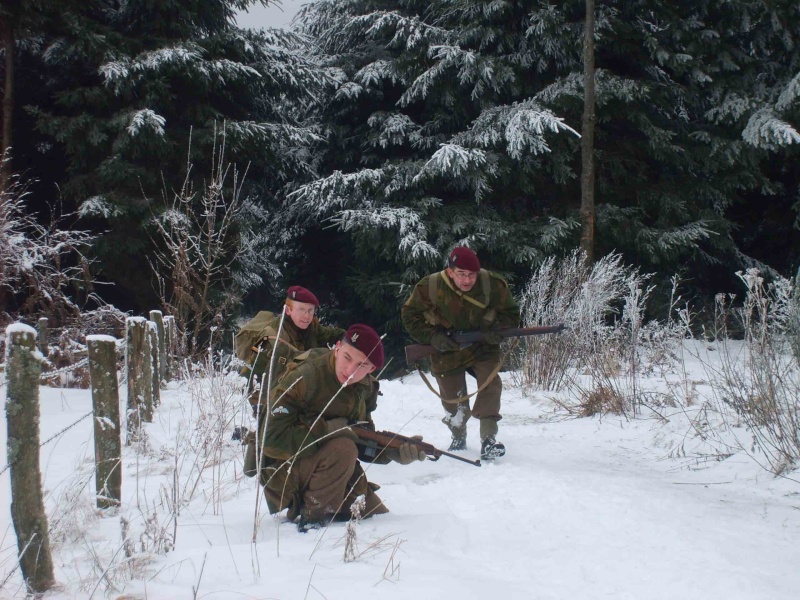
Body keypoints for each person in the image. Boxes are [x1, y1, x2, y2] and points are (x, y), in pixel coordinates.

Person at [259, 324, 427, 531]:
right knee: (343, 447)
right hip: (284, 468)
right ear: (337, 348)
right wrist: (327, 430)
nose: (350, 370)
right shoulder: (305, 377)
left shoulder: (364, 388)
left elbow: (362, 441)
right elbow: (269, 438)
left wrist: (391, 453)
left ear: (372, 369)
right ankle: (312, 522)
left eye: (361, 365)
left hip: (330, 468)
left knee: (377, 518)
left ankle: (327, 505)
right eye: (347, 357)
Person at [401, 246, 520, 460]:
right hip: (446, 349)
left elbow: (511, 314)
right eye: (461, 274)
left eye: (472, 275)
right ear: (450, 272)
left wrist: (498, 331)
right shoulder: (430, 286)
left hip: (482, 346)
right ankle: (458, 434)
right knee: (452, 399)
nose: (467, 281)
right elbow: (410, 315)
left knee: (491, 384)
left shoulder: (492, 284)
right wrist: (432, 337)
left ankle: (488, 439)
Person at [235, 285, 345, 407]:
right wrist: (262, 409)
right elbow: (248, 375)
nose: (307, 316)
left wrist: (352, 341)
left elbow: (333, 334)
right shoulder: (269, 337)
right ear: (288, 310)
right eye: (302, 310)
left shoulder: (311, 327)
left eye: (310, 310)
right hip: (276, 400)